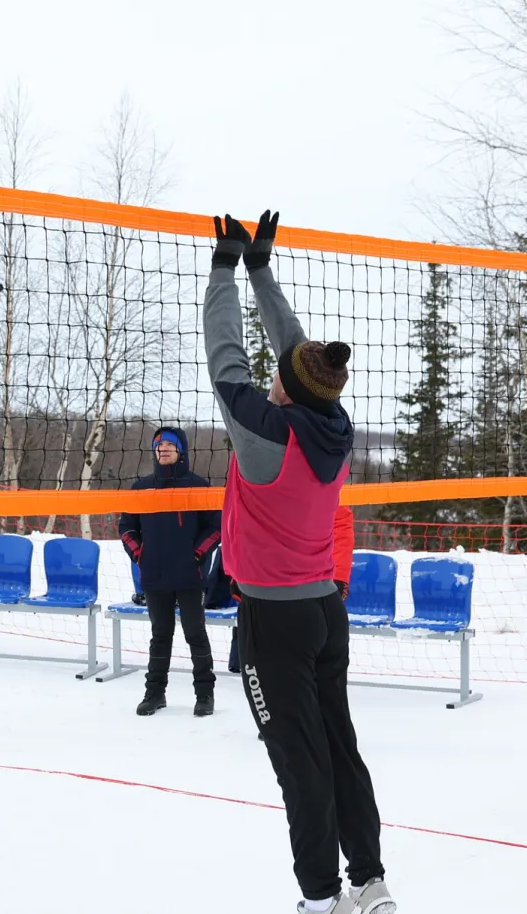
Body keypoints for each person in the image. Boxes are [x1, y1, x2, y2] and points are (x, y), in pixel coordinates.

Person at [206, 211, 392, 914]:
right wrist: (259, 271)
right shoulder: (334, 428)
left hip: (276, 620)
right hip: (322, 612)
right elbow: (301, 358)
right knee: (338, 748)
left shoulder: (265, 435)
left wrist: (224, 267)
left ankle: (321, 899)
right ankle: (370, 882)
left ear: (285, 388)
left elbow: (224, 352)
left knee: (300, 767)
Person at [118, 427, 221, 717]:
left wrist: (197, 553)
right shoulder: (141, 488)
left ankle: (204, 695)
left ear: (181, 451)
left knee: (195, 634)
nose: (163, 448)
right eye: (159, 444)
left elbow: (217, 527)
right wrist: (140, 554)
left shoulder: (198, 486)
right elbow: (126, 527)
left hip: (190, 575)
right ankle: (154, 694)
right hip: (155, 575)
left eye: (169, 445)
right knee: (160, 635)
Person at [214, 505, 352, 677]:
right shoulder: (259, 486)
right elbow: (241, 529)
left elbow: (341, 531)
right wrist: (236, 572)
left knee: (303, 660)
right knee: (265, 659)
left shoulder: (326, 489)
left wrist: (339, 578)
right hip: (266, 582)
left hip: (309, 586)